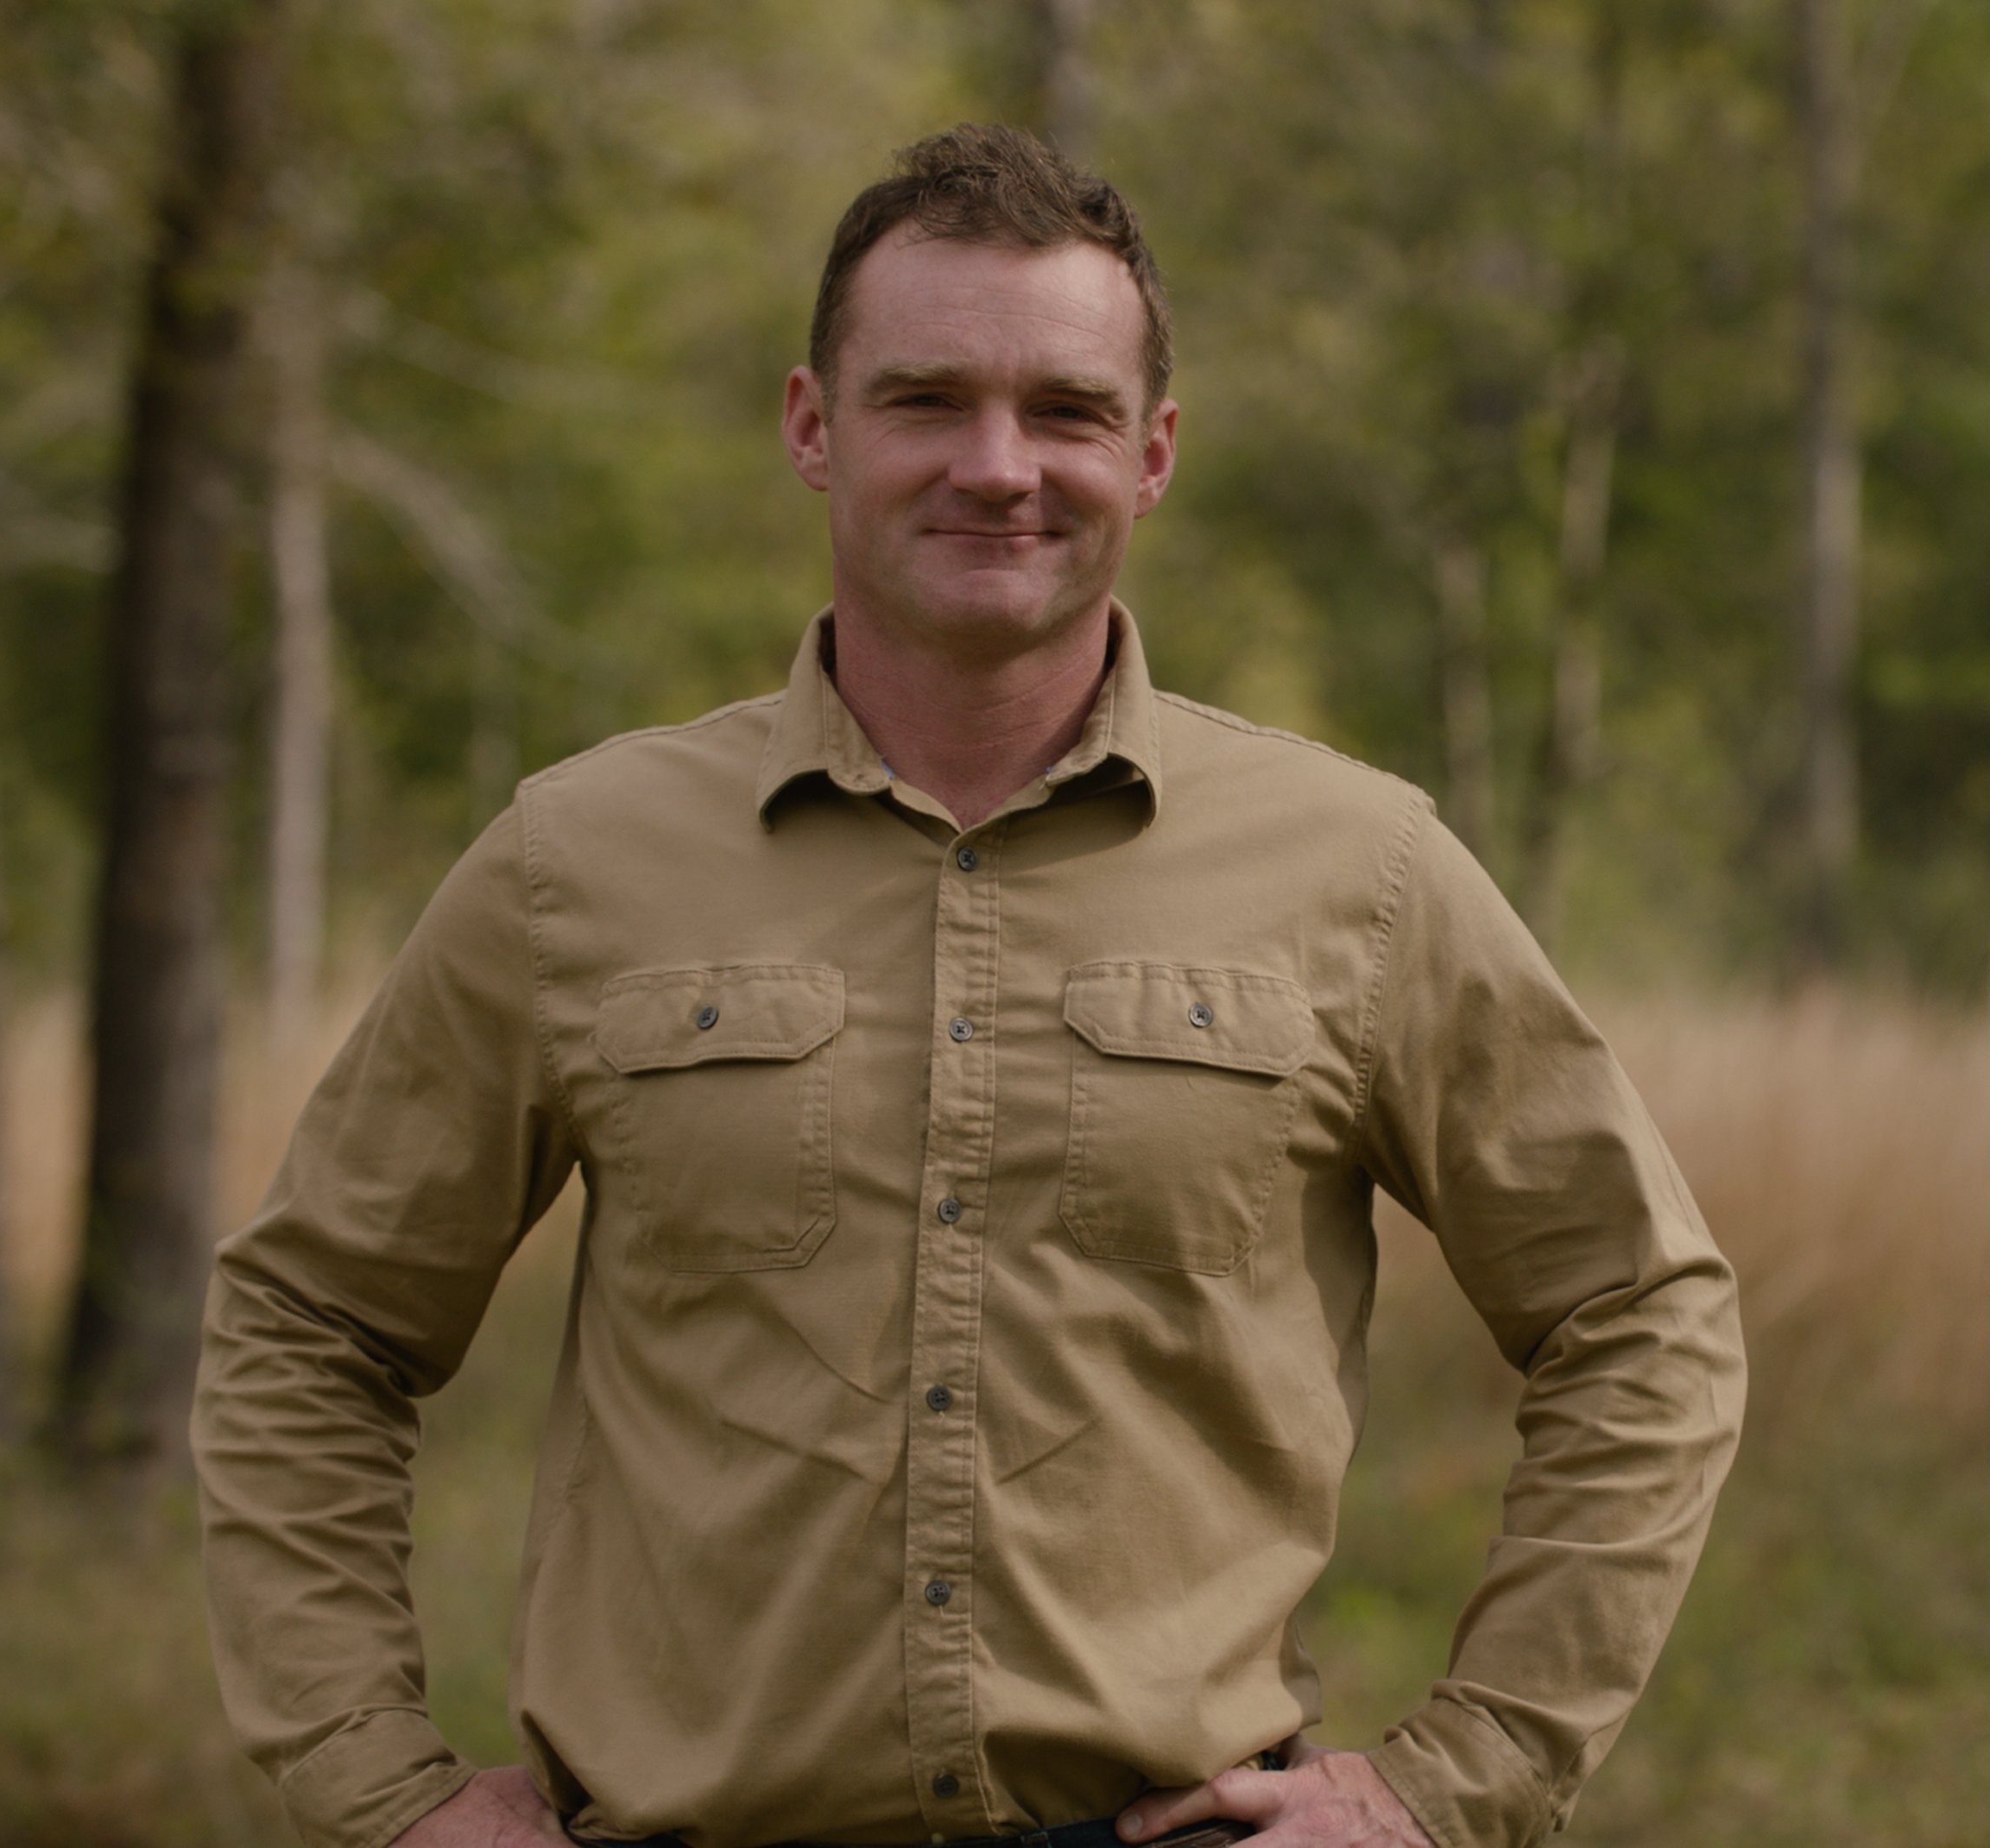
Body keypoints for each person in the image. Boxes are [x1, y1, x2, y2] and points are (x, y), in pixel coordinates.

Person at [193, 125, 1745, 1848]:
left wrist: (1454, 1784)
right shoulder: (576, 862)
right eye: (925, 399)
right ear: (813, 427)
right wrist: (385, 1793)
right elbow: (312, 1322)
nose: (998, 467)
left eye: (1065, 411)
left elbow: (1640, 1314)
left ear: (1151, 453)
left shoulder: (1359, 872)